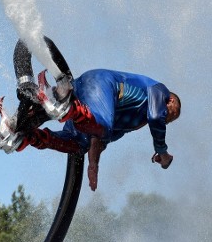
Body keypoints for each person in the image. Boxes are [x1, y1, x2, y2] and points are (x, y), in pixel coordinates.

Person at [23, 69, 181, 192]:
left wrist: (93, 165)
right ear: (170, 100)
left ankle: (30, 135)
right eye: (170, 114)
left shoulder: (132, 122)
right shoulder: (160, 90)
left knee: (79, 144)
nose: (166, 119)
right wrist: (163, 152)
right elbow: (155, 117)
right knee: (103, 126)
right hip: (100, 84)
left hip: (91, 109)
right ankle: (69, 107)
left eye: (170, 121)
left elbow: (99, 139)